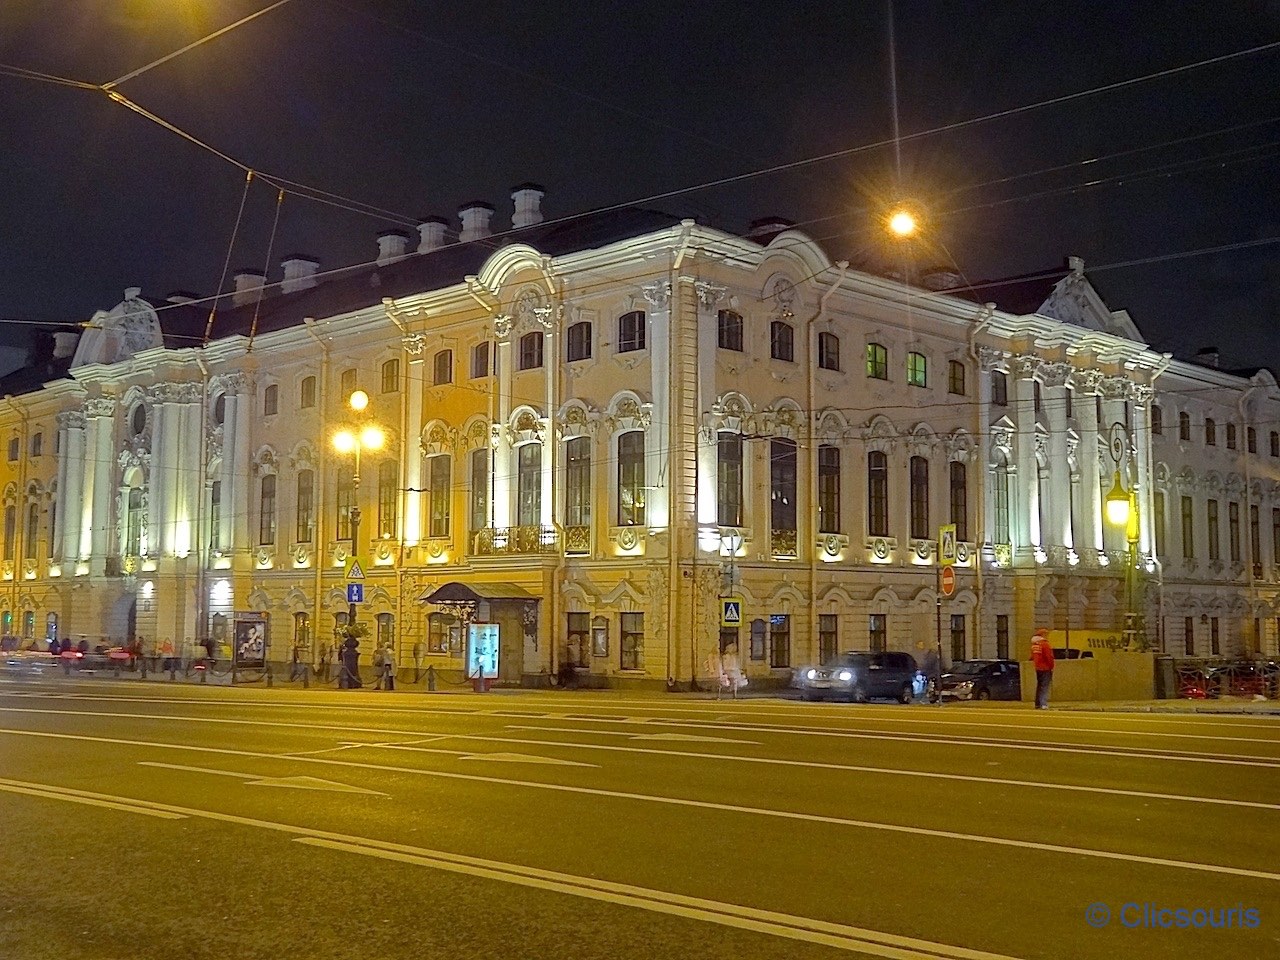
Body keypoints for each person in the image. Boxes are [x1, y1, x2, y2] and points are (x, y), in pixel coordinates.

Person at [1030, 627, 1055, 709]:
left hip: (1038, 668)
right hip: (1045, 668)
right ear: (1043, 635)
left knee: (1039, 685)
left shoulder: (1034, 645)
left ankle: (1037, 703)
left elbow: (1032, 657)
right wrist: (1051, 666)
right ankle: (1043, 703)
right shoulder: (1045, 644)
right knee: (1045, 686)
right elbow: (1049, 657)